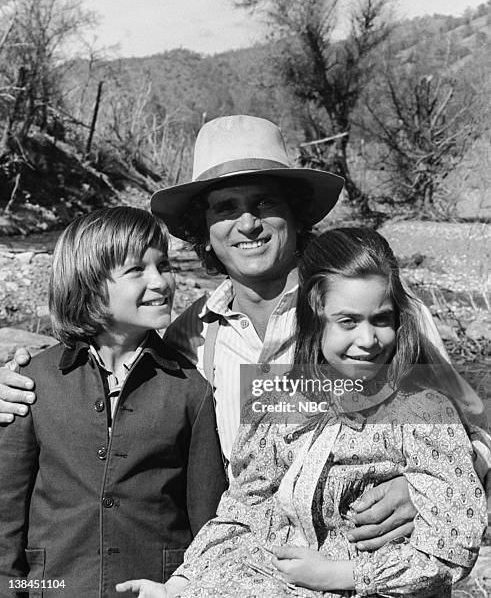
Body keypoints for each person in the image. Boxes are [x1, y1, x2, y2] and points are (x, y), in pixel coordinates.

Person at [0, 115, 488, 552]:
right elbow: (106, 372)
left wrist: (422, 490)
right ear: (204, 229)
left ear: (295, 214)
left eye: (264, 202)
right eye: (225, 208)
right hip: (254, 574)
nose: (248, 223)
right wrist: (18, 384)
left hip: (373, 569)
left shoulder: (384, 318)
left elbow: (475, 438)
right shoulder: (188, 335)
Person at [118, 228, 487, 598]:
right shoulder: (276, 402)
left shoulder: (423, 411)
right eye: (347, 322)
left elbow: (449, 549)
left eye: (381, 320)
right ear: (314, 317)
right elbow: (242, 513)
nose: (368, 340)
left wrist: (340, 574)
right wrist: (180, 585)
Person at [0, 207, 227, 597]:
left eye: (164, 264)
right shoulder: (32, 382)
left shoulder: (192, 389)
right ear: (87, 284)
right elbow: (6, 514)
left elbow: (206, 521)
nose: (161, 282)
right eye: (137, 270)